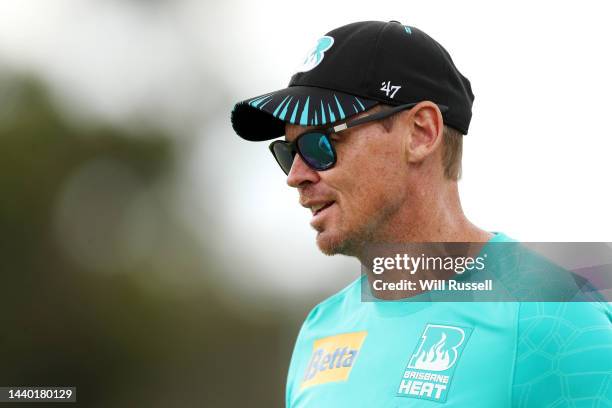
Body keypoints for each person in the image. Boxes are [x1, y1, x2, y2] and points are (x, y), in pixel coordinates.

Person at [230, 20, 612, 407]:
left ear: (421, 133)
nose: (296, 176)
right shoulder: (321, 329)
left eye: (319, 144)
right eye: (288, 152)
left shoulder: (554, 320)